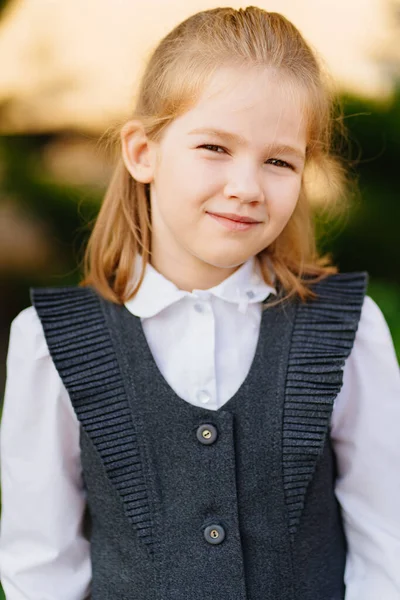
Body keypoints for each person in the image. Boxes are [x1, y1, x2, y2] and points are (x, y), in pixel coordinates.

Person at [0, 5, 399, 600]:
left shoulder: (348, 328)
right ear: (143, 152)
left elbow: (387, 546)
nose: (246, 185)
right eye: (214, 147)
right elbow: (41, 565)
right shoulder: (49, 340)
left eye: (278, 160)